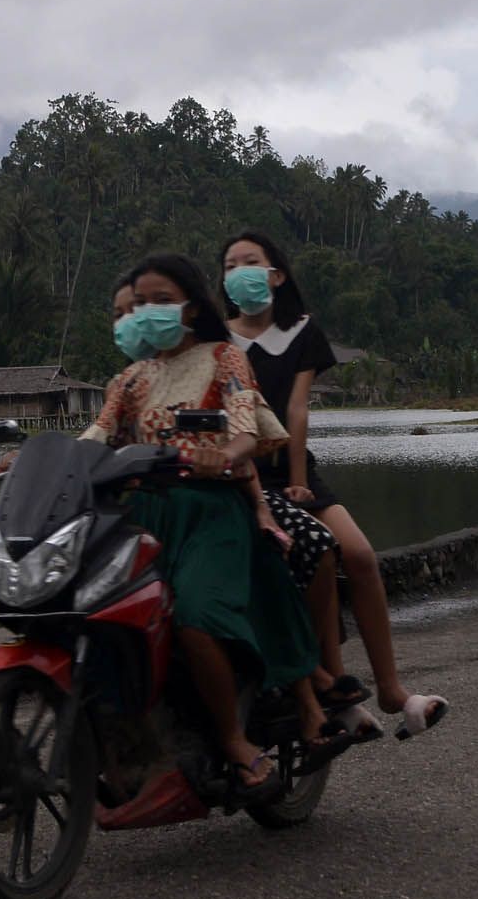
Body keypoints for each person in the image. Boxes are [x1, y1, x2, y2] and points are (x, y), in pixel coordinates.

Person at [80, 253, 342, 789]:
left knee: (194, 616)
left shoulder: (225, 358)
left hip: (210, 514)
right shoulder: (128, 380)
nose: (147, 312)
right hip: (143, 517)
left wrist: (221, 454)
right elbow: (96, 437)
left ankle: (233, 738)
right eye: (140, 302)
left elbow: (247, 426)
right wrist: (38, 457)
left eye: (160, 300)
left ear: (191, 305)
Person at [221, 230, 449, 741]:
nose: (239, 272)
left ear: (276, 275)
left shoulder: (301, 331)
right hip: (242, 472)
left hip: (293, 469)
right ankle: (328, 682)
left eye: (251, 262)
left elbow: (297, 409)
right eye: (230, 265)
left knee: (361, 555)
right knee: (311, 558)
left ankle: (391, 690)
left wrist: (299, 481)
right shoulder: (218, 340)